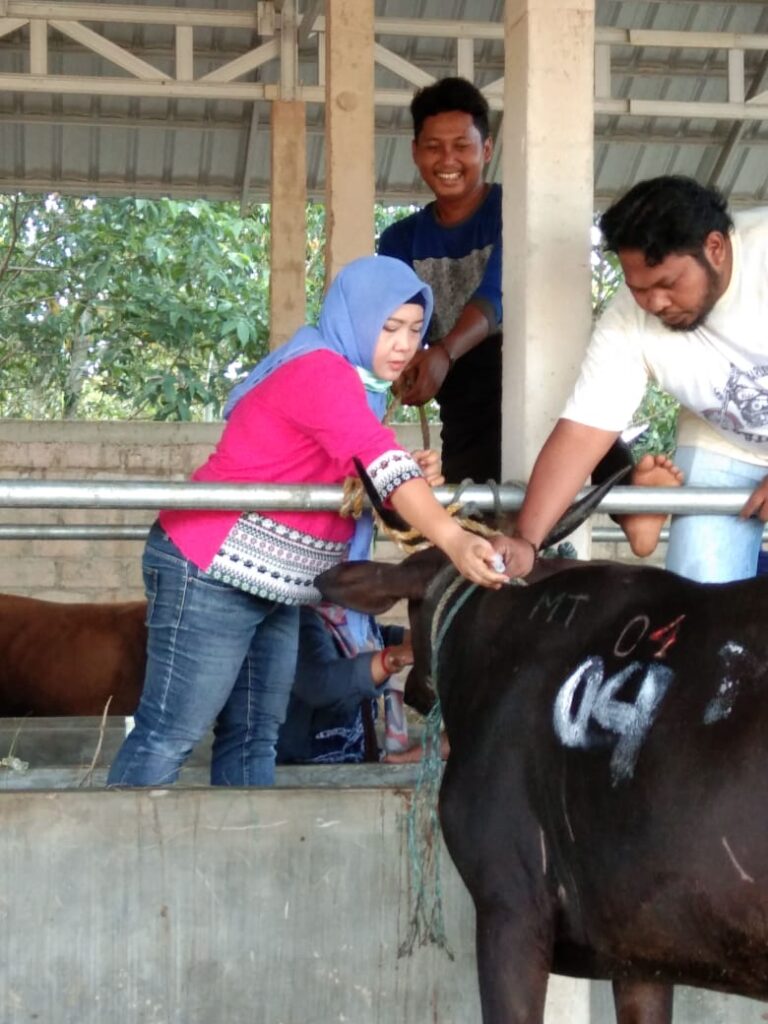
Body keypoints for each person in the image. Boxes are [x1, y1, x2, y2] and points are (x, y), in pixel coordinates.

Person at [106, 255, 507, 789]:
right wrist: (454, 538)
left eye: (414, 330)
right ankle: (115, 871)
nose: (404, 345)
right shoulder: (321, 370)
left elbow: (370, 472)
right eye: (389, 328)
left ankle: (238, 866)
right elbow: (377, 461)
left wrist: (411, 474)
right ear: (356, 318)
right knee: (171, 732)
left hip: (274, 584)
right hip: (209, 568)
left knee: (254, 736)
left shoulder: (361, 388)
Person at [491, 175, 768, 584]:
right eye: (640, 289)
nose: (655, 303)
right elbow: (584, 433)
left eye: (668, 284)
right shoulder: (627, 319)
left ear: (715, 248)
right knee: (699, 592)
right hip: (724, 439)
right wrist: (528, 542)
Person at [378, 76, 503, 483]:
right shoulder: (399, 240)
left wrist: (445, 352)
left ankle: (633, 498)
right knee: (472, 523)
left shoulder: (515, 211)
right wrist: (405, 369)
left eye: (461, 147)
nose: (447, 160)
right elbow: (397, 326)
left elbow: (495, 296)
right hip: (462, 401)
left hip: (528, 382)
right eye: (433, 147)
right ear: (415, 153)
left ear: (486, 149)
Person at [276, 606, 411, 765]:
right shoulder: (299, 620)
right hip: (308, 768)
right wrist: (388, 660)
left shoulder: (350, 611)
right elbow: (321, 685)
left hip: (355, 751)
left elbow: (364, 637)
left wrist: (403, 637)